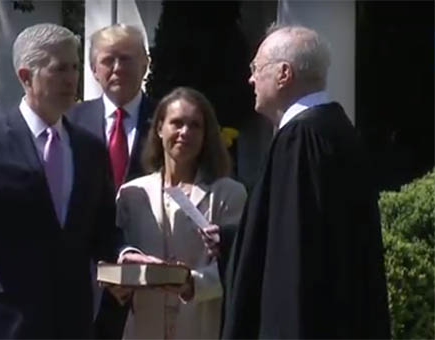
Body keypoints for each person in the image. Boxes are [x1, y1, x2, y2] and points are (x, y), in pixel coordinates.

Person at [0, 23, 159, 339]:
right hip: (2, 325)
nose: (71, 79)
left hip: (71, 325)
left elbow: (100, 230)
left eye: (73, 67)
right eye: (58, 69)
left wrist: (124, 253)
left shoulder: (89, 148)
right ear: (25, 77)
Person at [216, 25, 391, 338]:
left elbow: (294, 257)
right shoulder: (335, 131)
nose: (251, 79)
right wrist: (233, 240)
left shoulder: (301, 139)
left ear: (284, 74)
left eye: (256, 68)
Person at [116, 87, 247, 339]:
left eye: (195, 125)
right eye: (176, 123)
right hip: (144, 328)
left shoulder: (229, 193)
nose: (184, 132)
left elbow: (236, 265)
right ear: (159, 128)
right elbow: (120, 252)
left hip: (199, 326)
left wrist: (191, 284)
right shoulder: (131, 194)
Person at [66, 24, 155, 338]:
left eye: (127, 59)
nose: (117, 68)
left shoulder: (168, 121)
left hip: (150, 274)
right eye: (108, 60)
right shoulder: (68, 122)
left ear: (145, 63)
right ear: (93, 68)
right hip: (83, 277)